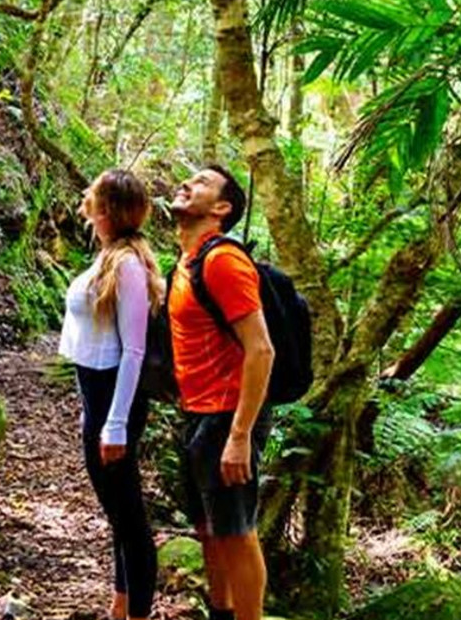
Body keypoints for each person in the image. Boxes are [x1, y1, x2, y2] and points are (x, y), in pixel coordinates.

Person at [57, 168, 166, 620]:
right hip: (96, 398)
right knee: (118, 514)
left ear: (107, 209)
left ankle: (136, 612)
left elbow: (134, 349)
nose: (86, 198)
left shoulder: (126, 265)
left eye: (95, 195)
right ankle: (119, 607)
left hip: (111, 400)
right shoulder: (110, 256)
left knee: (129, 518)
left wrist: (116, 422)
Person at [168, 164, 276, 620]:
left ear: (222, 208)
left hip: (229, 414)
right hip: (198, 413)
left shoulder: (223, 261)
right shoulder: (187, 262)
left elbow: (262, 349)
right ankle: (220, 613)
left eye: (202, 183)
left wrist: (239, 435)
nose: (187, 183)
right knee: (209, 528)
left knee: (235, 530)